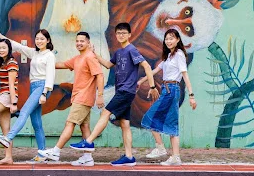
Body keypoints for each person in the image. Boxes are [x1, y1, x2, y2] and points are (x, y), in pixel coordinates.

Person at [69, 22, 159, 167]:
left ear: (129, 35)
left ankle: (89, 142)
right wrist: (94, 54)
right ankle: (129, 157)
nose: (121, 35)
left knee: (105, 112)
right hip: (122, 91)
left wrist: (152, 85)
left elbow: (147, 66)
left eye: (124, 33)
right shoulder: (118, 52)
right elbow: (107, 65)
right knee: (125, 124)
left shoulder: (132, 50)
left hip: (126, 91)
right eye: (119, 33)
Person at [38, 32, 104, 166]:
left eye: (82, 41)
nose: (79, 43)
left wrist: (101, 95)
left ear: (88, 43)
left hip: (83, 97)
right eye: (77, 41)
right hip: (79, 97)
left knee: (70, 123)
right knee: (84, 126)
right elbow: (62, 64)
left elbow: (100, 75)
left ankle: (56, 151)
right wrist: (45, 62)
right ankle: (87, 158)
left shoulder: (90, 57)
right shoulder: (79, 58)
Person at [0, 28, 56, 163]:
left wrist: (44, 93)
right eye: (37, 38)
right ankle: (42, 154)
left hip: (42, 87)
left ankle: (8, 138)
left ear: (48, 40)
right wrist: (1, 36)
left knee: (24, 111)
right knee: (36, 123)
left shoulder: (49, 55)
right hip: (34, 87)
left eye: (42, 39)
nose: (39, 41)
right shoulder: (35, 53)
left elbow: (50, 75)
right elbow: (17, 46)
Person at [139, 28, 197, 166]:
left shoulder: (179, 55)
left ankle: (161, 149)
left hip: (172, 90)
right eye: (167, 38)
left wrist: (191, 95)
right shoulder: (169, 56)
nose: (169, 41)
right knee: (169, 123)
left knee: (150, 117)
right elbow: (155, 70)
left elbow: (185, 75)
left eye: (171, 38)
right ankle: (175, 157)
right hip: (167, 90)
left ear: (177, 40)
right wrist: (141, 81)